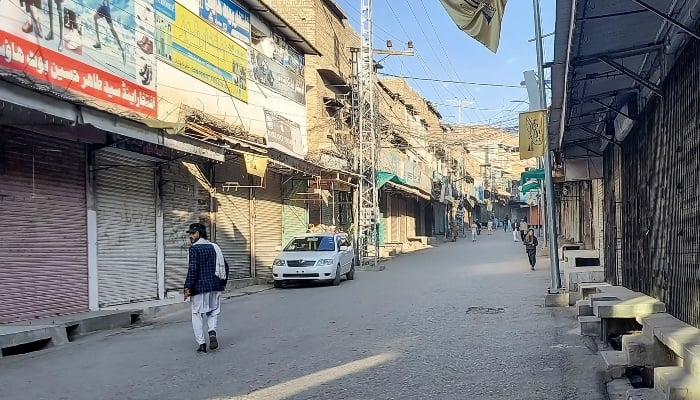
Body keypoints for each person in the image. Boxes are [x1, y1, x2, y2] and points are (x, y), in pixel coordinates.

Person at [184, 223, 229, 353]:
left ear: (200, 233)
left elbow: (193, 269)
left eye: (193, 233)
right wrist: (223, 283)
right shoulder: (215, 247)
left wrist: (188, 287)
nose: (191, 236)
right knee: (213, 311)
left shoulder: (195, 249)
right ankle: (212, 331)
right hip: (215, 286)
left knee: (196, 314)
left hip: (199, 287)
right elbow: (225, 266)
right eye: (190, 234)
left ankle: (202, 344)